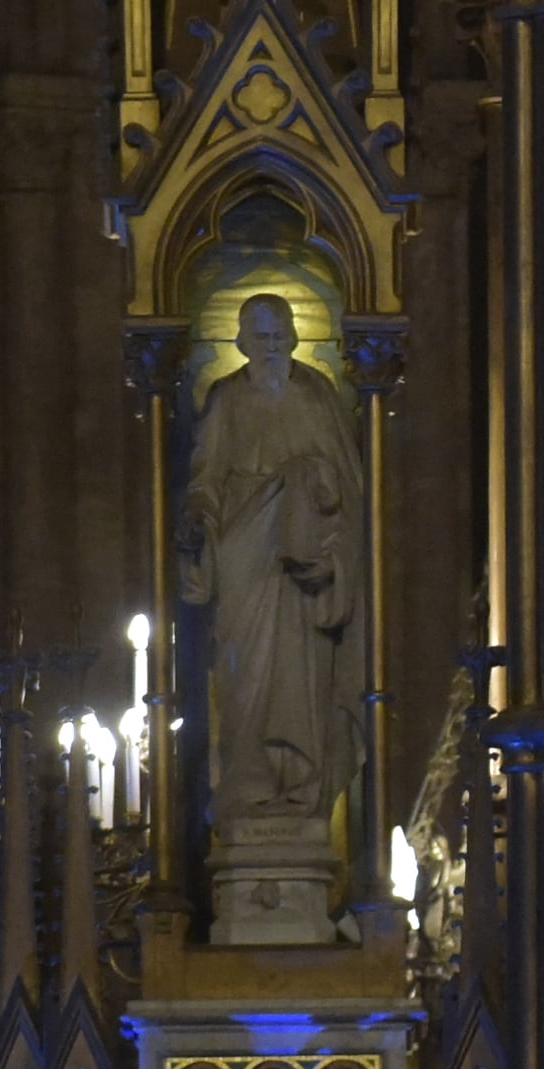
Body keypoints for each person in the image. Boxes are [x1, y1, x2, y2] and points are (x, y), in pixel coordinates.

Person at [179, 293, 365, 822]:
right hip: (244, 558)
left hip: (303, 570)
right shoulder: (226, 400)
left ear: (295, 338)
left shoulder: (317, 397)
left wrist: (328, 542)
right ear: (240, 342)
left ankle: (301, 791)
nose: (272, 345)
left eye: (280, 334)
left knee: (303, 682)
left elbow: (349, 494)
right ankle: (248, 788)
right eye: (261, 337)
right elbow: (205, 481)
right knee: (243, 682)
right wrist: (199, 523)